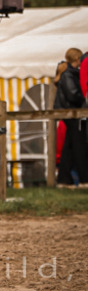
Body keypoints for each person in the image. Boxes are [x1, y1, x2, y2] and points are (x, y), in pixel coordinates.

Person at [54, 48, 87, 187]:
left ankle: (64, 179)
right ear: (77, 59)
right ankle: (85, 179)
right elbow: (73, 94)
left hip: (69, 113)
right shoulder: (69, 74)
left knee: (69, 146)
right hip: (71, 113)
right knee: (79, 145)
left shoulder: (68, 73)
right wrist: (84, 100)